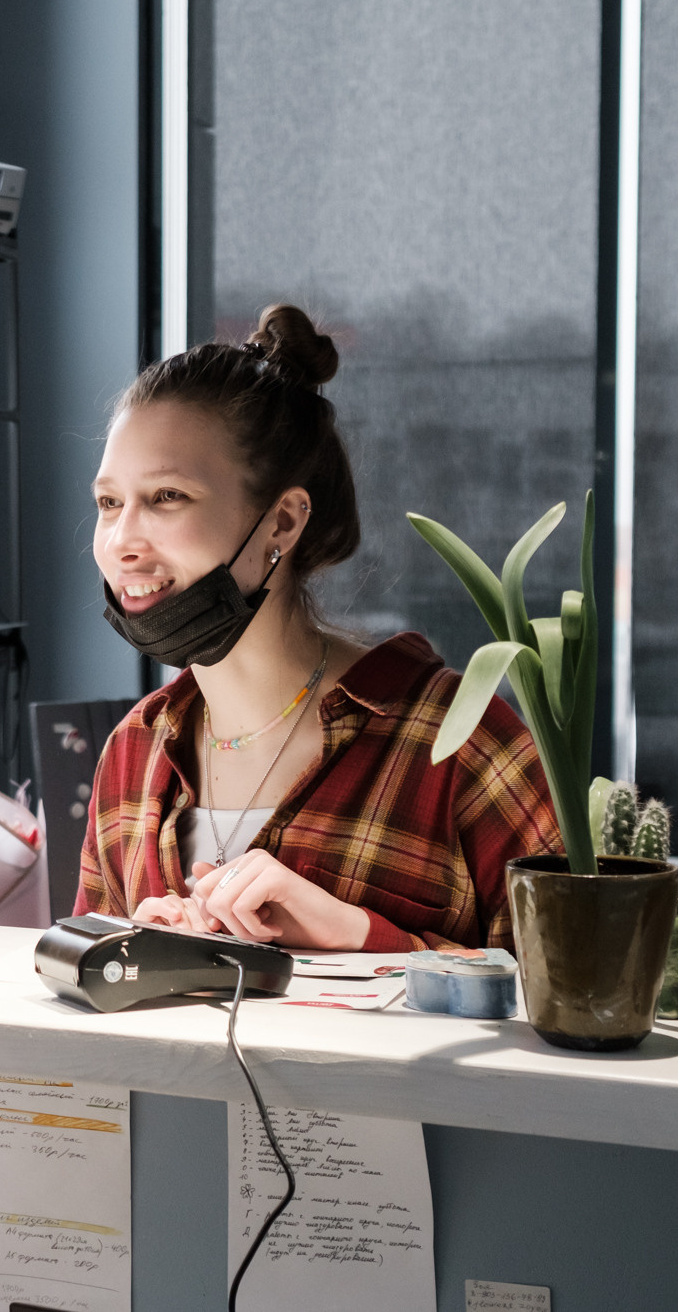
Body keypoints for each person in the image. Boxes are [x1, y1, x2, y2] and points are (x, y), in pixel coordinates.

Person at [77, 304, 559, 952]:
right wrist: (143, 953)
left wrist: (357, 934)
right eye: (109, 502)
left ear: (282, 521)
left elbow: (575, 996)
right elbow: (80, 991)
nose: (121, 542)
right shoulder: (132, 754)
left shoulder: (460, 742)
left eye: (167, 497)